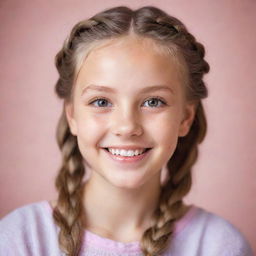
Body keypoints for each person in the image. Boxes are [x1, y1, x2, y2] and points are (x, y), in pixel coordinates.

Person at [0, 5, 254, 256]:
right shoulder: (20, 238)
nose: (127, 127)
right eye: (101, 102)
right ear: (72, 115)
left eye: (153, 102)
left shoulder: (219, 246)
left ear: (185, 118)